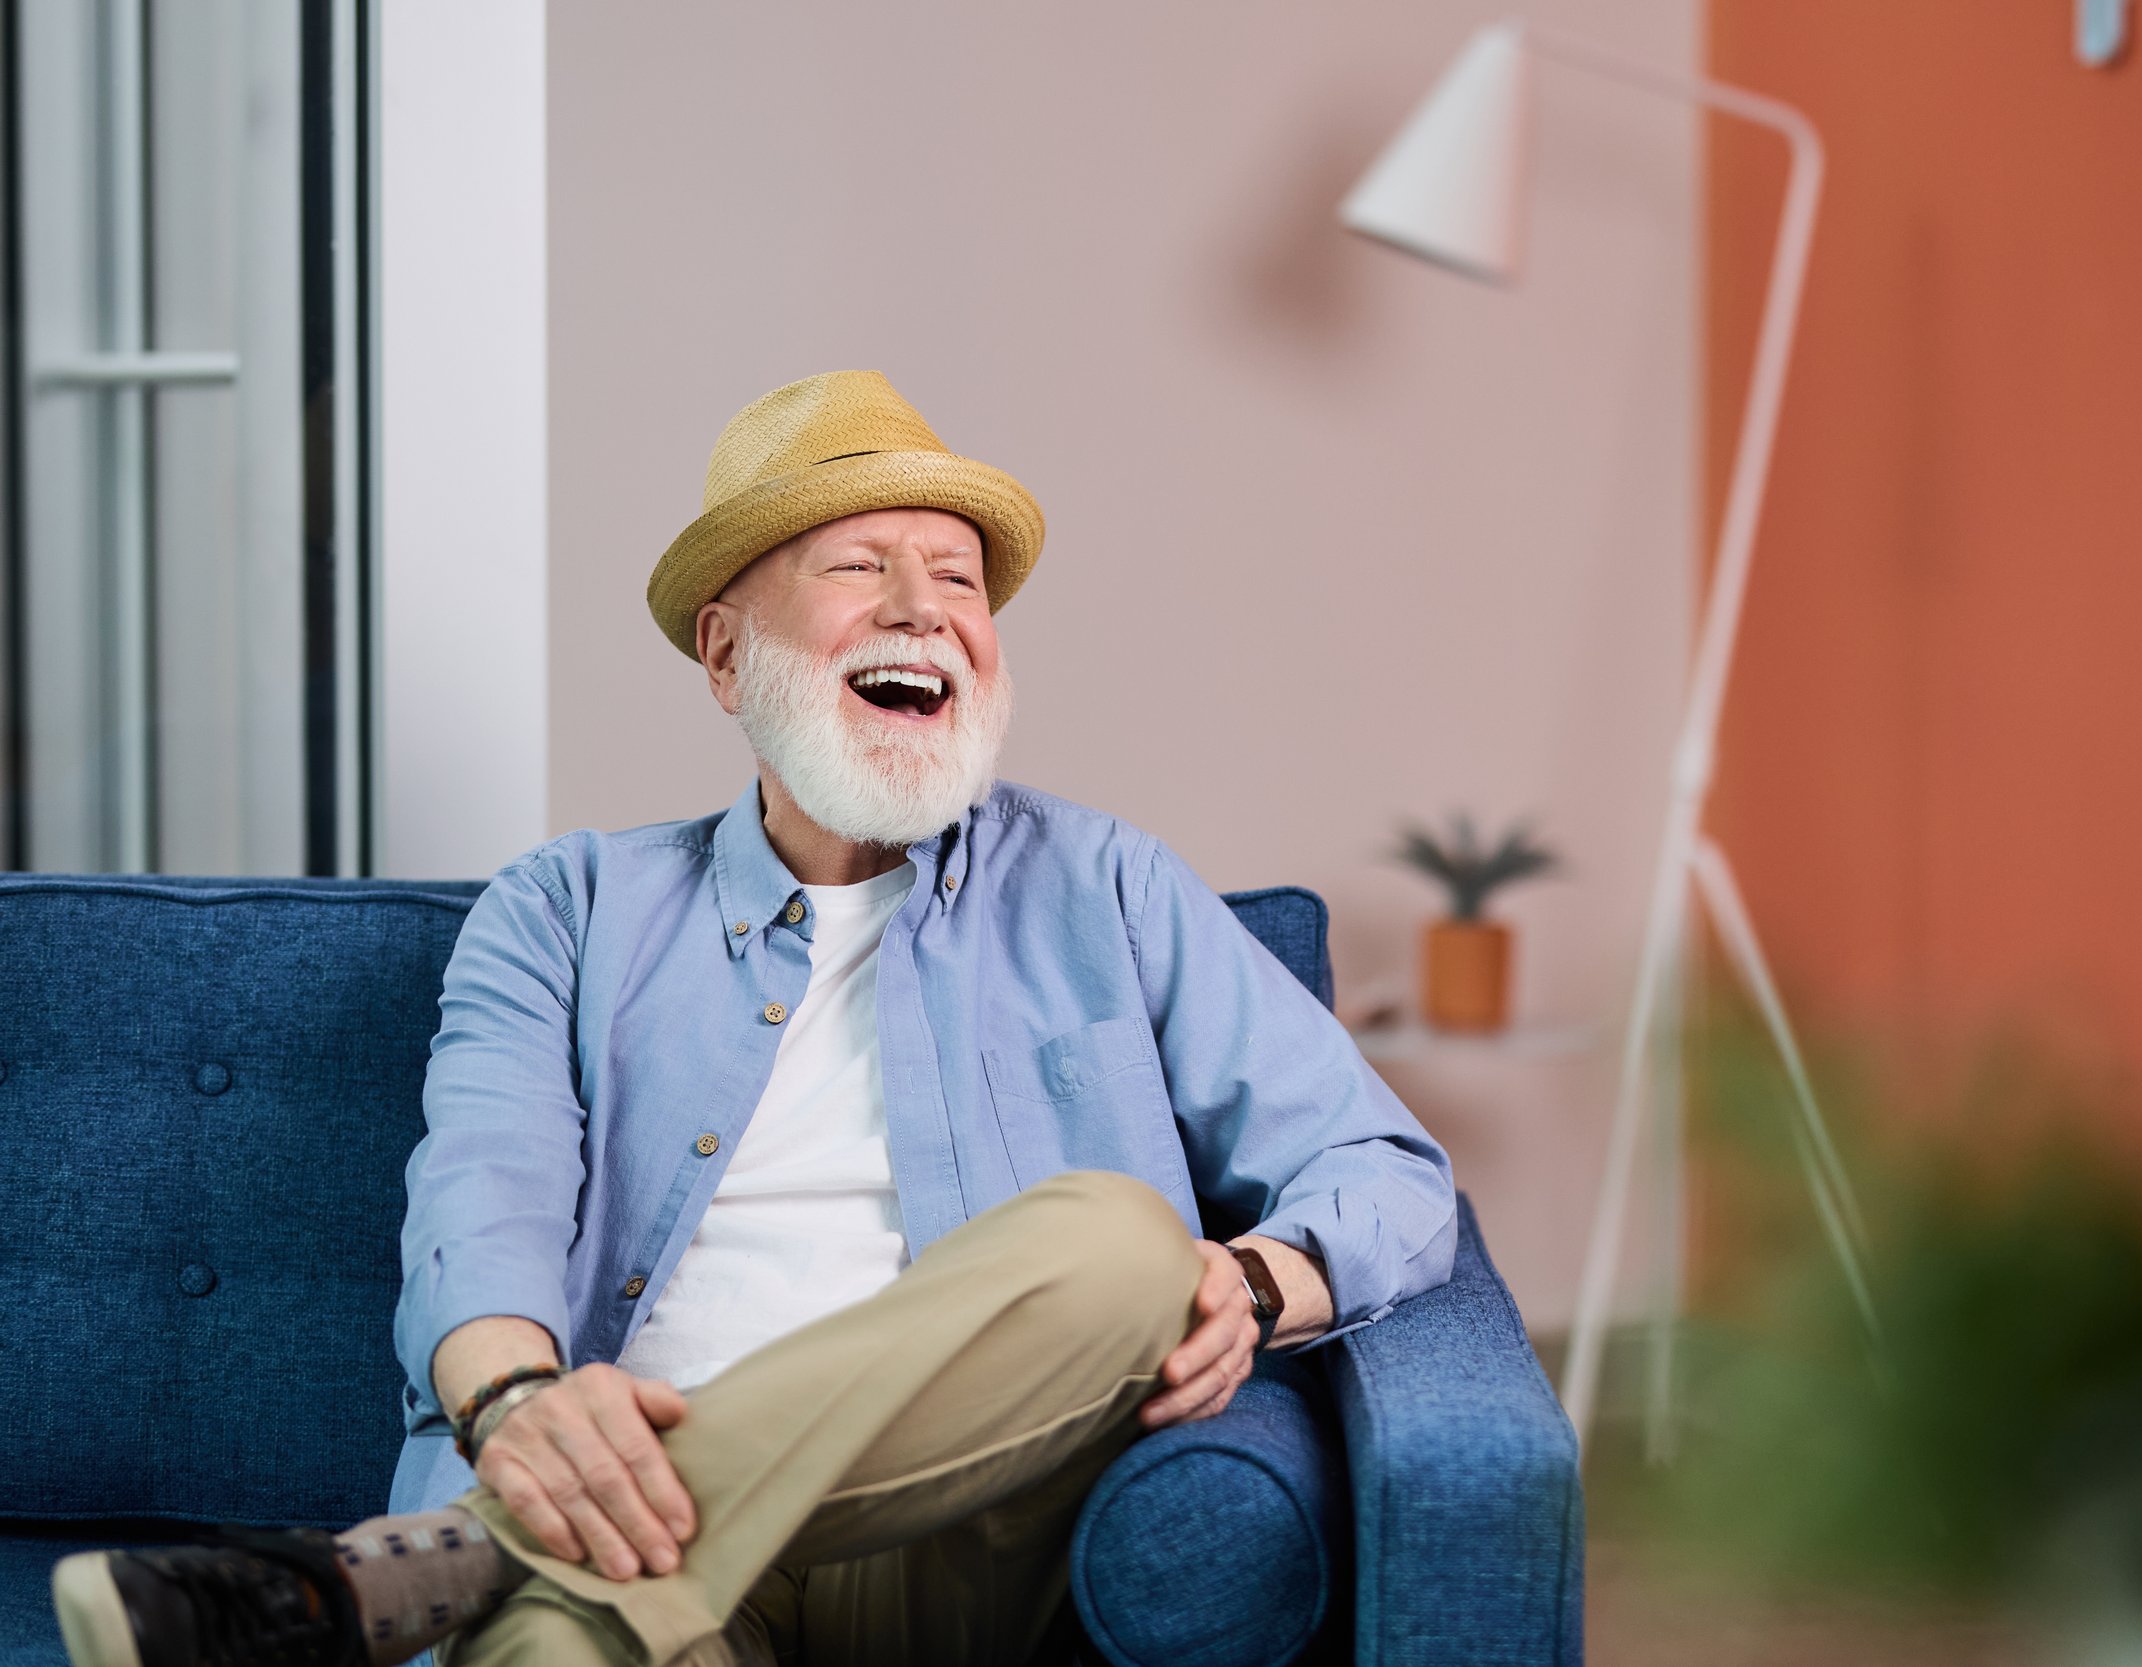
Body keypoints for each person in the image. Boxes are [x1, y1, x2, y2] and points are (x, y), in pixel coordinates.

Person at [50, 371, 1456, 1667]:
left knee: (1119, 1242)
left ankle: (415, 1576)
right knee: (548, 1649)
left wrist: (1260, 1283)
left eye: (956, 579)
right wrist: (515, 1402)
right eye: (860, 567)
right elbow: (484, 1193)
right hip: (620, 1517)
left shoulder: (1105, 886)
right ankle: (523, 1556)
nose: (923, 608)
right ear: (727, 657)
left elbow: (1388, 1173)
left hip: (949, 1543)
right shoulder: (569, 907)